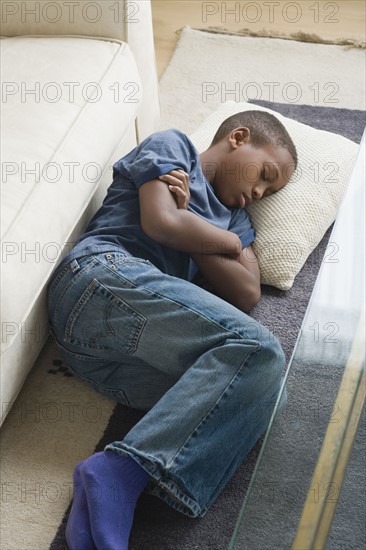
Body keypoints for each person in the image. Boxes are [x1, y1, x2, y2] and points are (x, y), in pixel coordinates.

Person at [47, 110, 297, 550]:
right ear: (239, 138)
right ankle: (121, 474)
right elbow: (160, 223)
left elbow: (246, 291)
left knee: (256, 391)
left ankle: (96, 510)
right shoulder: (174, 147)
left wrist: (197, 226)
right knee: (259, 350)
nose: (257, 193)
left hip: (108, 360)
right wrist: (222, 242)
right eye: (265, 175)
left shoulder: (235, 220)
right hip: (101, 280)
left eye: (269, 192)